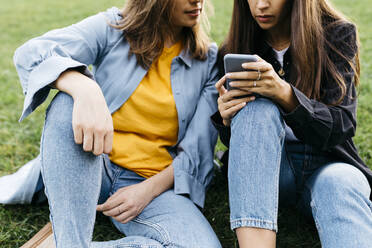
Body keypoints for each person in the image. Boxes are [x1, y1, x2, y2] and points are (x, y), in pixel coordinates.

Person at [12, 0, 222, 247]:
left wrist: (147, 191)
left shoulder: (207, 60)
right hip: (92, 157)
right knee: (66, 102)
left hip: (149, 179)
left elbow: (198, 151)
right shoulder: (113, 29)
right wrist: (83, 86)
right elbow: (31, 52)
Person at [212, 0, 372, 247]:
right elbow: (244, 152)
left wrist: (286, 95)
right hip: (269, 173)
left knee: (342, 182)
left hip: (329, 165)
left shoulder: (338, 35)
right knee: (257, 112)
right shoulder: (236, 48)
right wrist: (227, 118)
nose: (260, 5)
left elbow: (342, 124)